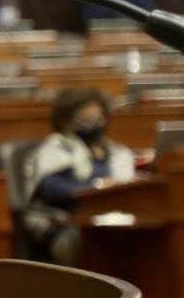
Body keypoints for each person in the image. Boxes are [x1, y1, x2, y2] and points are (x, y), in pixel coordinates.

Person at [20, 87, 136, 265]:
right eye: (86, 120)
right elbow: (51, 188)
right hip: (64, 224)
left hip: (109, 218)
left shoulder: (115, 150)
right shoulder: (56, 147)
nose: (95, 125)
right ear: (66, 121)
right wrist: (96, 187)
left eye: (99, 119)